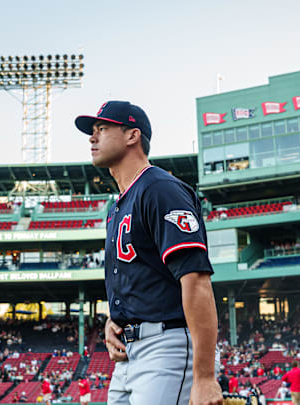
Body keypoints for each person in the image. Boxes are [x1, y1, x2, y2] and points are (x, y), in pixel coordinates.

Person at [78, 101, 222, 405]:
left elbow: (196, 280)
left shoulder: (160, 189)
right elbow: (141, 277)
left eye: (101, 129)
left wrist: (205, 378)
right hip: (127, 354)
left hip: (166, 347)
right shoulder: (117, 206)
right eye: (92, 131)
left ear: (132, 136)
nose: (92, 138)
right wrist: (115, 319)